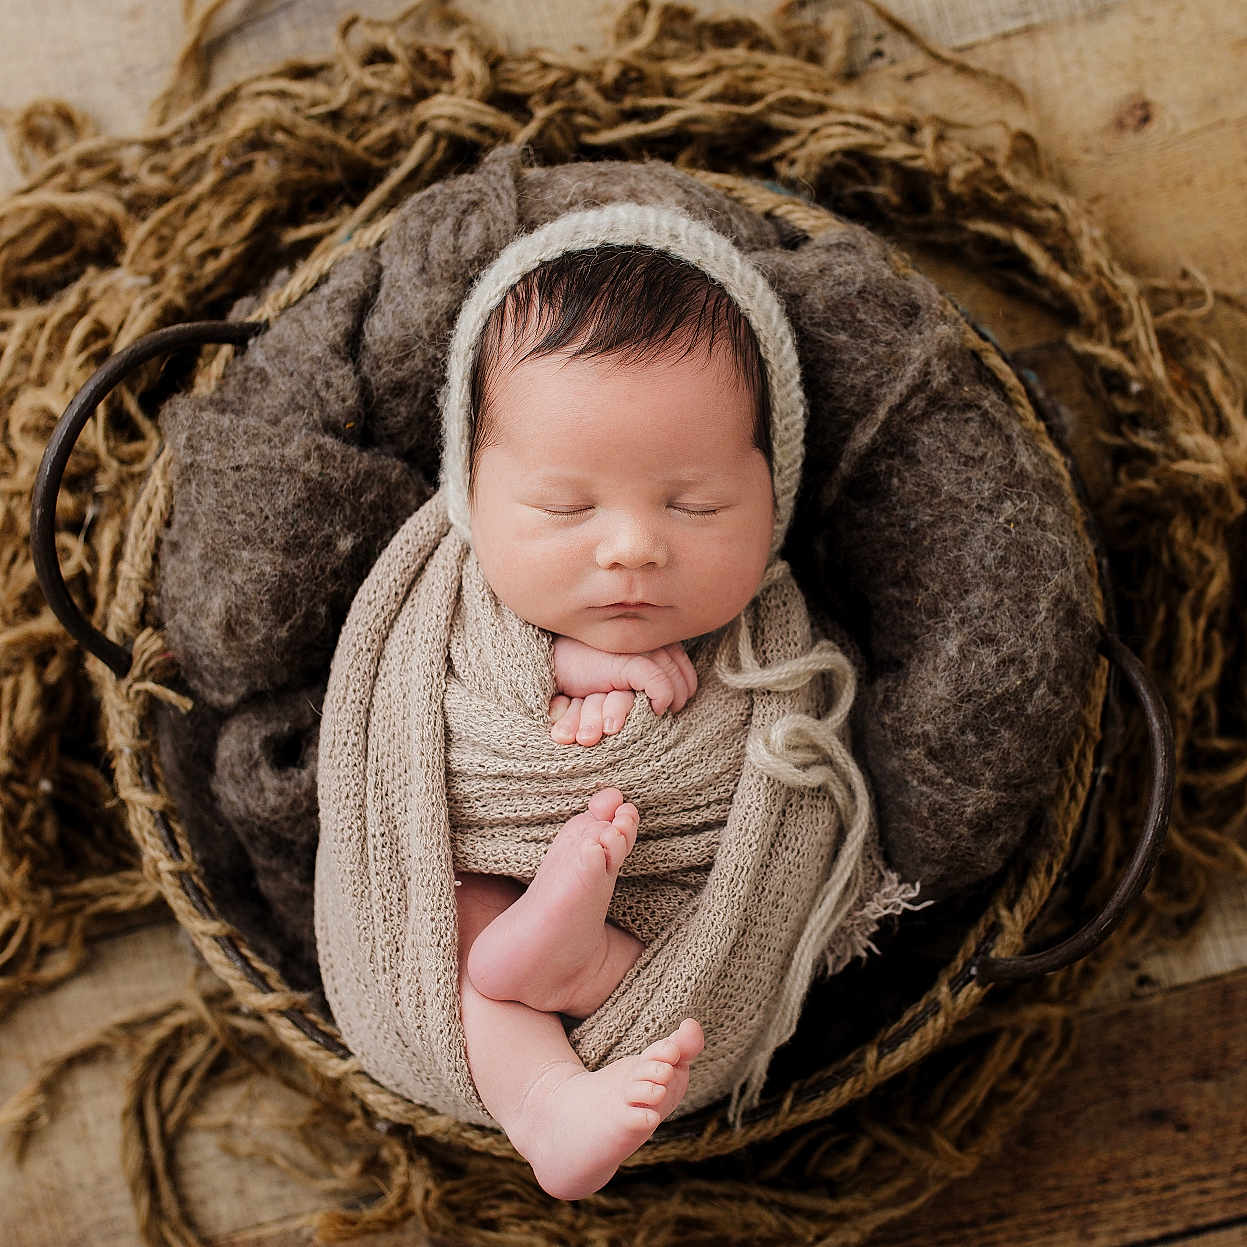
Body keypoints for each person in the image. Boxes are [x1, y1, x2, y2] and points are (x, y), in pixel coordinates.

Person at [450, 242, 780, 1199]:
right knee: (458, 915)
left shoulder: (783, 640)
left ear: (771, 491)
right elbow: (402, 704)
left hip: (669, 917)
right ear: (470, 494)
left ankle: (585, 961)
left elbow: (809, 797)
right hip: (487, 861)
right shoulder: (447, 595)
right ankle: (546, 1098)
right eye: (563, 505)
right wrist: (549, 662)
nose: (633, 546)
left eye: (696, 503)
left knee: (724, 934)